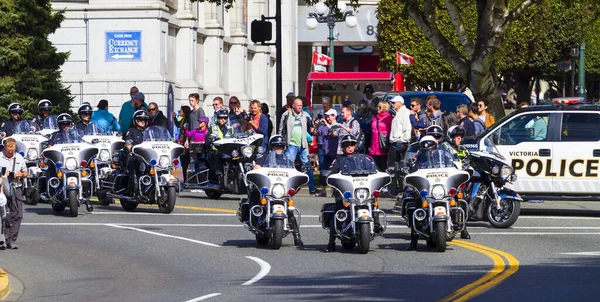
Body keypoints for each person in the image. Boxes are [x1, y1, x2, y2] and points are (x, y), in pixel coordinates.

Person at [324, 134, 379, 252]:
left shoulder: (364, 159)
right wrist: (329, 175)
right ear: (343, 147)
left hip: (360, 190)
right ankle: (331, 242)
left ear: (355, 146)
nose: (350, 148)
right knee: (338, 211)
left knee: (374, 200)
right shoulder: (339, 159)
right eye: (347, 145)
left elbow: (374, 171)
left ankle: (377, 222)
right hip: (344, 191)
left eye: (352, 145)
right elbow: (331, 171)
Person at [251, 135, 304, 246]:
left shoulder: (287, 160)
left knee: (290, 210)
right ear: (272, 146)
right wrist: (256, 168)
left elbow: (293, 171)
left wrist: (300, 174)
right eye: (276, 146)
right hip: (268, 189)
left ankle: (297, 236)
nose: (278, 148)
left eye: (281, 146)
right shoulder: (265, 156)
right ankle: (255, 218)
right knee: (254, 194)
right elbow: (257, 166)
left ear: (284, 147)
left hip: (280, 189)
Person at [279, 97, 317, 195]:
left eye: (301, 105)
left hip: (303, 144)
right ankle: (284, 187)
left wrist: (315, 126)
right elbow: (281, 129)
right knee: (288, 166)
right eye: (298, 105)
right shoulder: (286, 114)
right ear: (293, 106)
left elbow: (311, 128)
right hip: (291, 144)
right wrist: (282, 143)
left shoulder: (305, 115)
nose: (300, 107)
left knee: (307, 166)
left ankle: (312, 188)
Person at [0, 138, 28, 249]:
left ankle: (11, 240)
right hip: (2, 188)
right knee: (3, 214)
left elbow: (26, 173)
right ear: (4, 147)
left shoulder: (19, 158)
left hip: (16, 187)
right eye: (9, 149)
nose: (11, 151)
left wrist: (20, 174)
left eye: (13, 149)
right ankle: (2, 239)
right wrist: (3, 174)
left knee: (17, 214)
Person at [313, 109, 339, 197]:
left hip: (332, 150)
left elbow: (333, 133)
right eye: (327, 116)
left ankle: (334, 190)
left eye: (329, 116)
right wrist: (316, 125)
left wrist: (327, 124)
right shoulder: (323, 126)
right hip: (323, 150)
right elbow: (315, 133)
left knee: (333, 170)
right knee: (322, 170)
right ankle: (323, 190)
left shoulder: (336, 125)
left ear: (334, 116)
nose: (328, 118)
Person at [123, 110, 149, 197]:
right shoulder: (131, 131)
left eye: (144, 120)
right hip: (135, 156)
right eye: (140, 119)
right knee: (135, 164)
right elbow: (128, 143)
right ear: (135, 120)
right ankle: (136, 189)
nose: (142, 121)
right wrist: (132, 150)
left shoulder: (148, 132)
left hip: (147, 157)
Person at [206, 109, 234, 185]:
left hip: (228, 151)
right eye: (221, 118)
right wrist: (212, 140)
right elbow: (208, 140)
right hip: (215, 151)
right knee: (218, 154)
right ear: (217, 118)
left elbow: (235, 138)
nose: (223, 120)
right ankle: (219, 174)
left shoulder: (230, 128)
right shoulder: (212, 128)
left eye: (225, 118)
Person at [388, 96, 412, 167]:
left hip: (400, 144)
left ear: (399, 103)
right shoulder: (397, 113)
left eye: (394, 103)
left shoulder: (405, 113)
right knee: (392, 167)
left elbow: (407, 129)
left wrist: (401, 140)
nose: (392, 104)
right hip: (394, 143)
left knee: (399, 166)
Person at [370, 101, 393, 171]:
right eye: (377, 107)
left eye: (380, 107)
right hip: (374, 147)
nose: (378, 108)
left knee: (383, 167)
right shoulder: (375, 118)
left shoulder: (389, 118)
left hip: (383, 146)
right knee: (375, 168)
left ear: (384, 108)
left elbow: (391, 130)